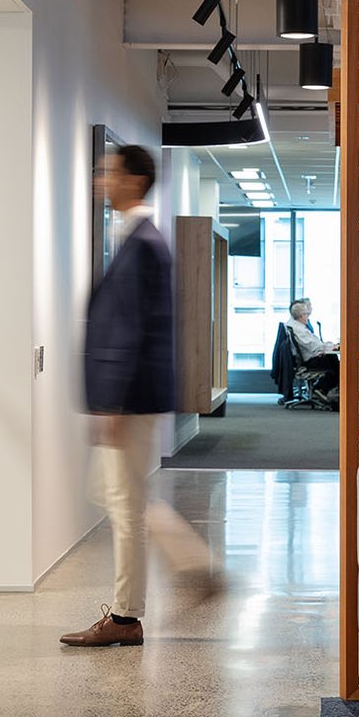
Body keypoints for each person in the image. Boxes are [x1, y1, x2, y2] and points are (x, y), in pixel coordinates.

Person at [63, 144, 212, 647]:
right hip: (127, 396)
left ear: (133, 181)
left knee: (124, 505)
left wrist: (113, 404)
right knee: (112, 494)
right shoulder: (136, 239)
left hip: (130, 399)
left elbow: (130, 332)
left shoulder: (145, 243)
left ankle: (127, 618)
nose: (101, 180)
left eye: (108, 172)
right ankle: (191, 565)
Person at [286, 298, 340, 400]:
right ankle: (320, 389)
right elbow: (313, 345)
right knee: (338, 365)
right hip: (309, 361)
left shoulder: (298, 326)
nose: (308, 315)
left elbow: (315, 344)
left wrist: (327, 347)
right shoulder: (300, 330)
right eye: (306, 314)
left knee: (334, 362)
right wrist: (330, 347)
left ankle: (321, 389)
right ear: (301, 315)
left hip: (310, 357)